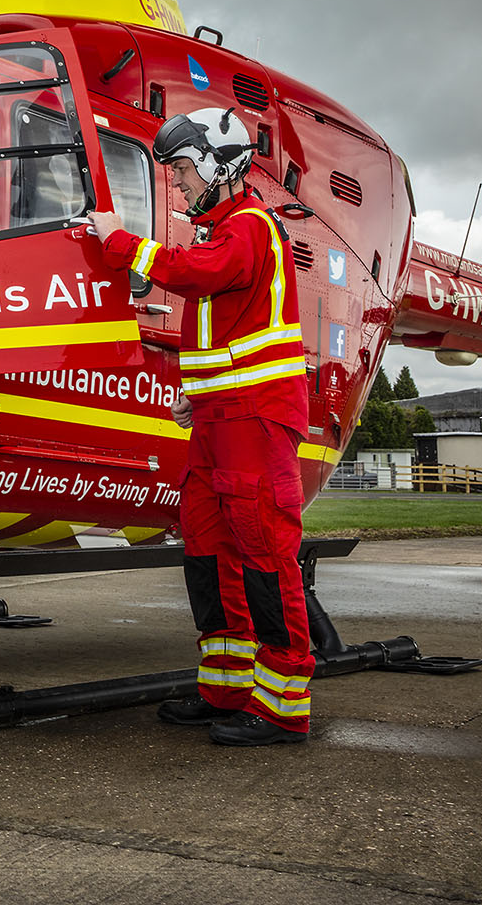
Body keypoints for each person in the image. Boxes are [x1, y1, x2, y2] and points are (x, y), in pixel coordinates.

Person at [84, 106, 313, 747]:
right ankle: (227, 689)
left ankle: (282, 708)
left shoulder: (249, 227)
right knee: (208, 553)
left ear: (218, 165)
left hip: (255, 422)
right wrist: (199, 395)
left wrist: (120, 242)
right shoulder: (220, 233)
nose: (177, 184)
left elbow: (201, 275)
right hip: (218, 420)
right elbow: (220, 329)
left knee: (265, 554)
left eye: (183, 169)